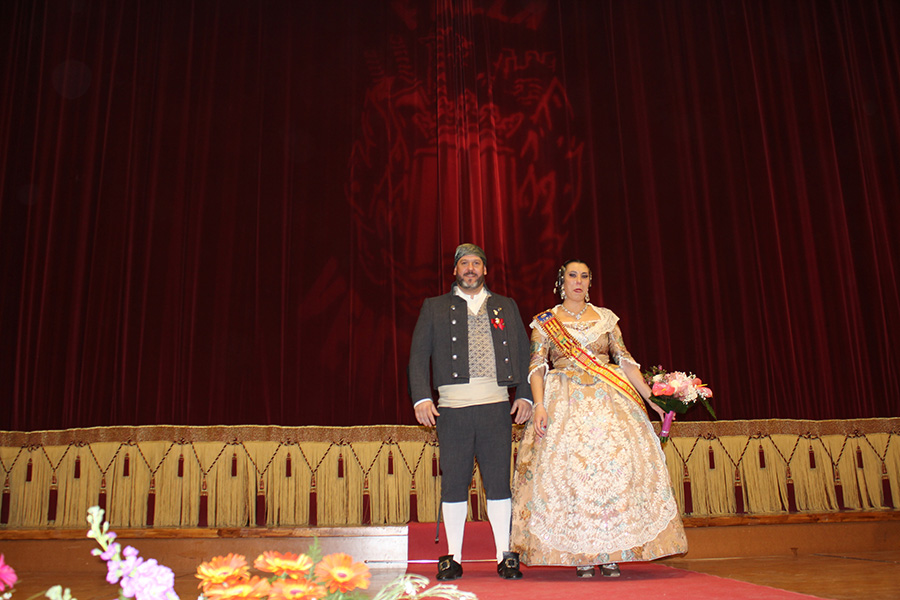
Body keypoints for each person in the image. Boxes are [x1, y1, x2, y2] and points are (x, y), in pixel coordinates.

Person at [510, 259, 688, 578]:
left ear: (590, 282)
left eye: (584, 276)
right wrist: (538, 405)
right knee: (573, 473)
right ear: (561, 282)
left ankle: (612, 551)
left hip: (610, 401)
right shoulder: (545, 322)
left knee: (615, 472)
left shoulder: (606, 318)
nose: (578, 281)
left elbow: (625, 360)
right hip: (564, 401)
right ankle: (581, 551)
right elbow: (536, 366)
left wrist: (652, 399)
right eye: (572, 276)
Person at [408, 243, 534, 581]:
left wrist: (525, 396)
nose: (470, 269)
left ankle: (505, 555)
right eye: (464, 263)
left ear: (485, 270)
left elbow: (525, 354)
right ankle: (452, 556)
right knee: (454, 482)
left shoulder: (505, 305)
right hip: (453, 410)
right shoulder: (434, 307)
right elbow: (418, 357)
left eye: (476, 263)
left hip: (496, 406)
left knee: (499, 482)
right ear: (455, 270)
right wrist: (422, 399)